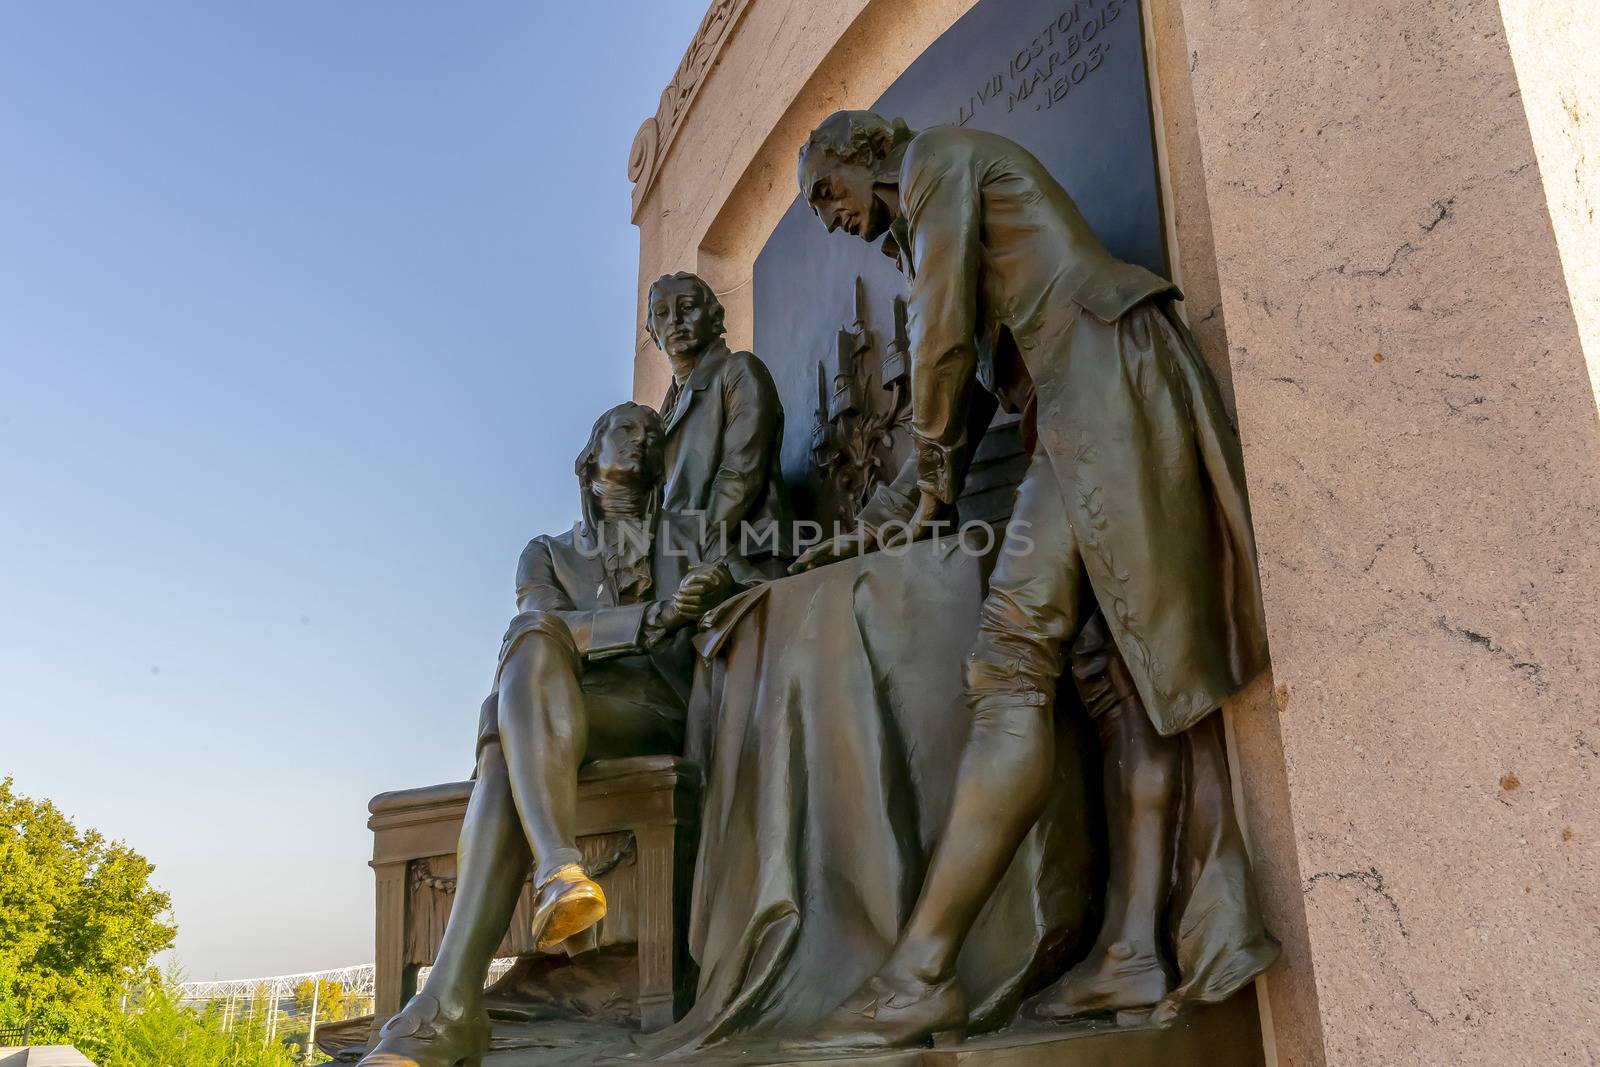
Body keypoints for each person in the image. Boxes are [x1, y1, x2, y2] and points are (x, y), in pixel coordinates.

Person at [787, 111, 1279, 1049]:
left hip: (1096, 385)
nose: (828, 216)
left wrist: (928, 489)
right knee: (1116, 678)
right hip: (1089, 396)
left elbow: (939, 345)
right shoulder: (938, 198)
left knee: (1014, 658)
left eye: (824, 191)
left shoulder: (936, 163)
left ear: (866, 154)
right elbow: (966, 385)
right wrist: (898, 505)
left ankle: (921, 971)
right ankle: (1134, 946)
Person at [361, 402, 754, 1067]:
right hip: (562, 707)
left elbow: (736, 589)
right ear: (590, 455)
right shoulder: (546, 552)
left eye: (653, 434)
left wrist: (713, 584)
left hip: (653, 708)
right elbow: (551, 628)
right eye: (627, 429)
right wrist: (654, 613)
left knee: (498, 721)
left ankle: (460, 988)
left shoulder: (693, 532)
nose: (644, 439)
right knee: (529, 641)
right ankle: (550, 879)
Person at [646, 271, 792, 568]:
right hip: (684, 563)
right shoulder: (657, 419)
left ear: (715, 317)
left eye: (687, 307)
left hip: (748, 555)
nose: (674, 320)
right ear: (652, 333)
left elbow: (740, 473)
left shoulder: (739, 371)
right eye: (662, 313)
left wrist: (687, 552)